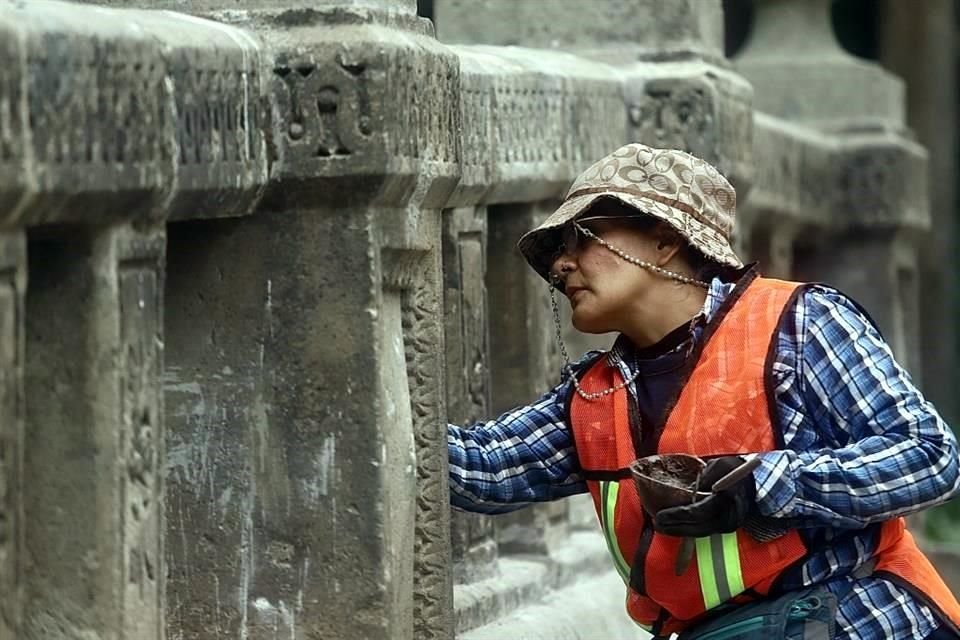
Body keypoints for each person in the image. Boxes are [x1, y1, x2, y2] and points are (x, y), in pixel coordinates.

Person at [447, 142, 960, 639]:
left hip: (860, 618)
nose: (560, 266)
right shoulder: (591, 398)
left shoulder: (799, 324)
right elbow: (481, 468)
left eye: (581, 236)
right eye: (557, 251)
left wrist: (761, 484)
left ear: (665, 239)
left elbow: (929, 457)